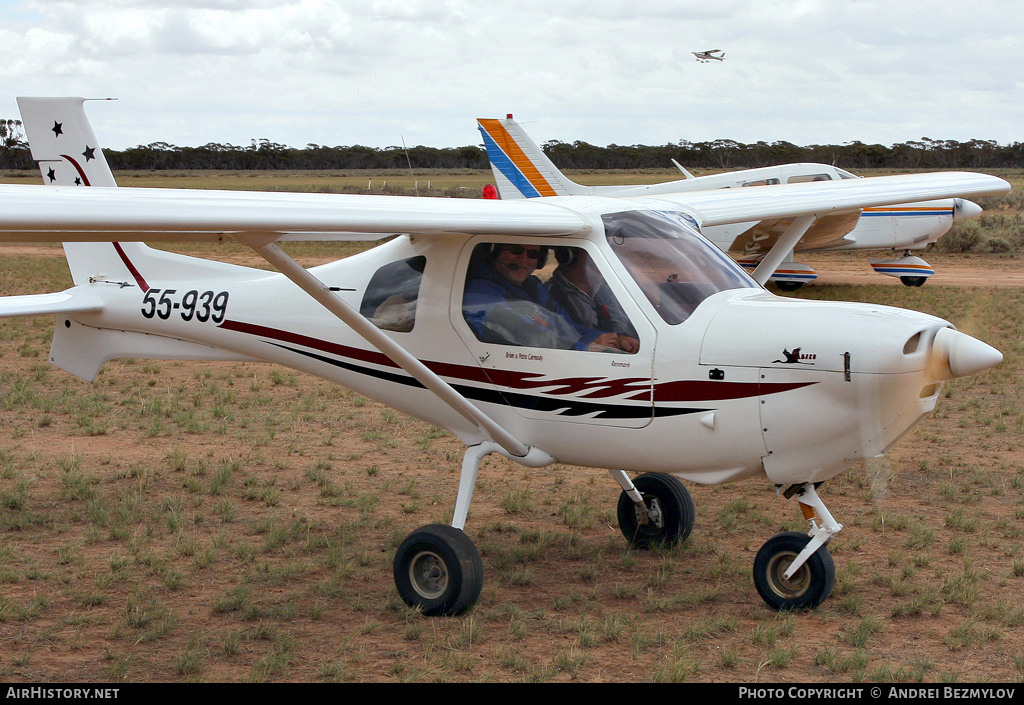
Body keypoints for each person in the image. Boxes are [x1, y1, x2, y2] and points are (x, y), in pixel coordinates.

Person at [463, 243, 630, 352]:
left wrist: (612, 338)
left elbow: (565, 325)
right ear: (495, 252)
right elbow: (518, 331)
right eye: (516, 251)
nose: (524, 259)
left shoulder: (534, 288)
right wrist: (580, 348)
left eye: (532, 254)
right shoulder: (480, 291)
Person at [548, 247, 640, 353]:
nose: (600, 270)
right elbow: (561, 333)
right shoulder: (552, 294)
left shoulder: (605, 288)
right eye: (593, 265)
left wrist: (622, 336)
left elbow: (616, 317)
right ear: (568, 260)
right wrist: (590, 342)